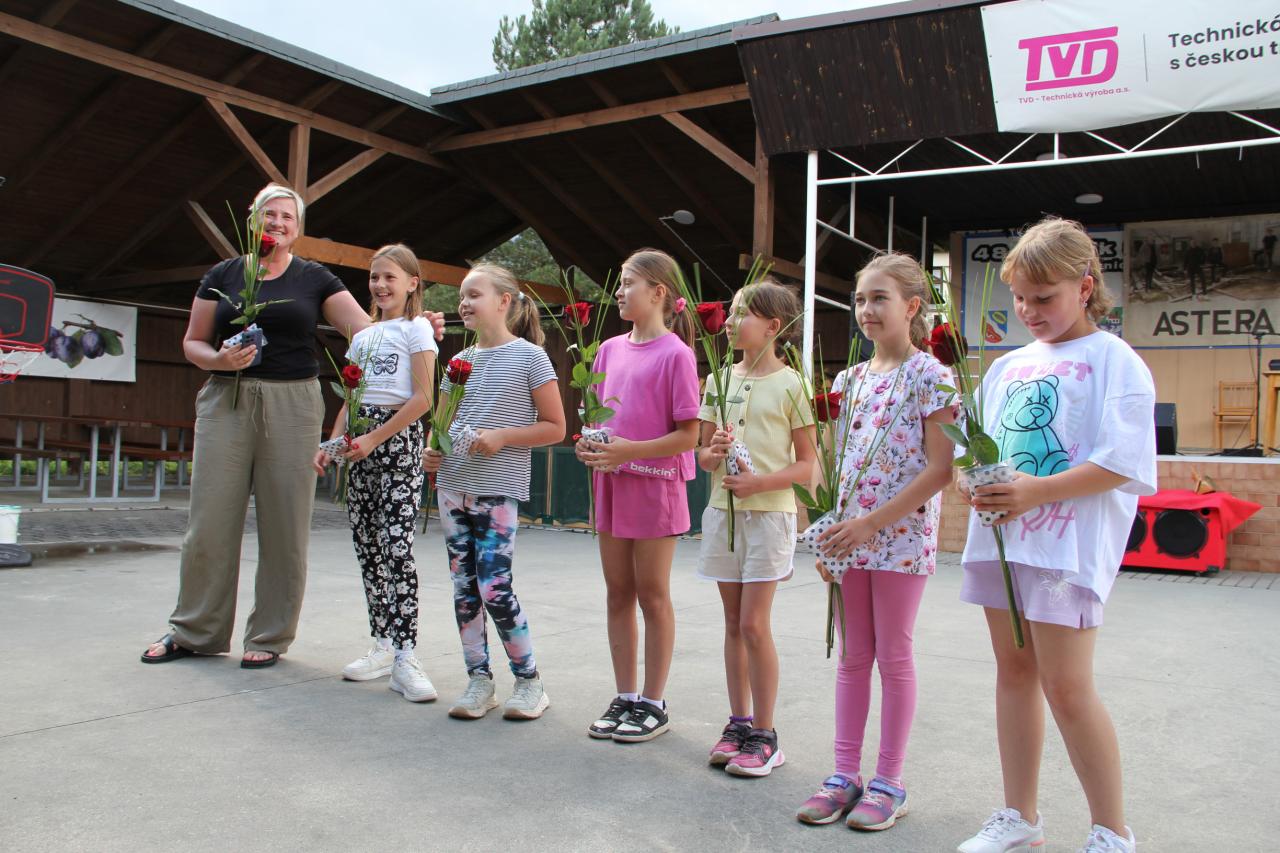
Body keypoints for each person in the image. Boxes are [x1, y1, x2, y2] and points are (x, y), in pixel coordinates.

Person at [141, 184, 441, 669]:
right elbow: (193, 342)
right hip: (226, 397)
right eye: (270, 214)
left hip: (293, 402)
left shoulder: (314, 277)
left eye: (288, 216)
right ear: (252, 219)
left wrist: (417, 327)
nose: (278, 223)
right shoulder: (222, 274)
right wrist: (218, 359)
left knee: (285, 521)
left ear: (297, 228)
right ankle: (195, 630)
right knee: (209, 520)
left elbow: (369, 333)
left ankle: (270, 634)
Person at [956, 217, 1156, 853]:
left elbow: (1122, 462)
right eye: (1019, 297)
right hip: (1002, 544)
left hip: (1065, 552)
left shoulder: (1114, 361)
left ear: (1085, 287)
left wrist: (1034, 492)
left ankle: (1112, 831)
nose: (1028, 310)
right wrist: (970, 483)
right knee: (1013, 673)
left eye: (1044, 297)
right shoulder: (1007, 366)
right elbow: (970, 450)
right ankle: (1020, 816)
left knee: (1067, 687)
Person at [795, 254, 956, 831]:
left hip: (901, 540)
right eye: (860, 299)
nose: (867, 309)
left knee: (894, 655)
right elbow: (839, 464)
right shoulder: (850, 380)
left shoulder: (933, 376)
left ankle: (889, 781)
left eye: (879, 298)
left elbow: (941, 470)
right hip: (850, 540)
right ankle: (844, 774)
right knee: (853, 656)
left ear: (912, 306)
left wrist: (870, 525)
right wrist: (830, 539)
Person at [423, 263, 565, 720]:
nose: (464, 303)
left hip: (497, 490)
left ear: (504, 301)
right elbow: (441, 424)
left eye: (474, 294)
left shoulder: (530, 357)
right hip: (453, 489)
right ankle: (479, 681)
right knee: (464, 589)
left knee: (494, 587)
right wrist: (432, 452)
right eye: (462, 296)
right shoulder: (458, 362)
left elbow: (555, 427)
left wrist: (502, 436)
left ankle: (529, 682)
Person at [577, 249, 700, 743]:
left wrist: (629, 451)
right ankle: (625, 696)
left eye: (628, 283)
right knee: (618, 592)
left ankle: (653, 702)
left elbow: (689, 434)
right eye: (620, 284)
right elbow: (597, 418)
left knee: (652, 594)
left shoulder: (677, 354)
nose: (620, 292)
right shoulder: (608, 350)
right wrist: (589, 443)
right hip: (612, 483)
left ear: (658, 292)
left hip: (656, 487)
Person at [698, 280, 816, 777]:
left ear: (773, 326)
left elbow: (808, 465)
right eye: (730, 312)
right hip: (722, 514)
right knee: (732, 624)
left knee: (753, 624)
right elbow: (703, 457)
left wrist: (760, 482)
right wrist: (713, 452)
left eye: (741, 313)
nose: (729, 321)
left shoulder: (793, 384)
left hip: (770, 516)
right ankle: (739, 723)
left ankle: (766, 734)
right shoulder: (718, 380)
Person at [313, 245, 437, 700]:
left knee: (396, 546)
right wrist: (334, 442)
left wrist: (376, 438)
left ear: (412, 283)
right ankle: (382, 643)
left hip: (397, 443)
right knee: (367, 546)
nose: (381, 285)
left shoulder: (417, 329)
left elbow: (424, 398)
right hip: (360, 445)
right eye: (374, 277)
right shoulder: (363, 337)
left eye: (390, 277)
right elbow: (351, 397)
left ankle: (406, 654)